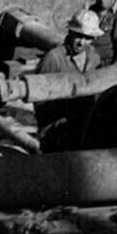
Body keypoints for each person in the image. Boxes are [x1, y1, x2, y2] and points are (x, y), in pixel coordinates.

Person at [34, 9, 103, 151]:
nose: (82, 42)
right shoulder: (53, 59)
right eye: (78, 36)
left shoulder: (94, 58)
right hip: (56, 132)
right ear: (70, 32)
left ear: (94, 38)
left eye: (88, 37)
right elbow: (39, 100)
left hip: (83, 128)